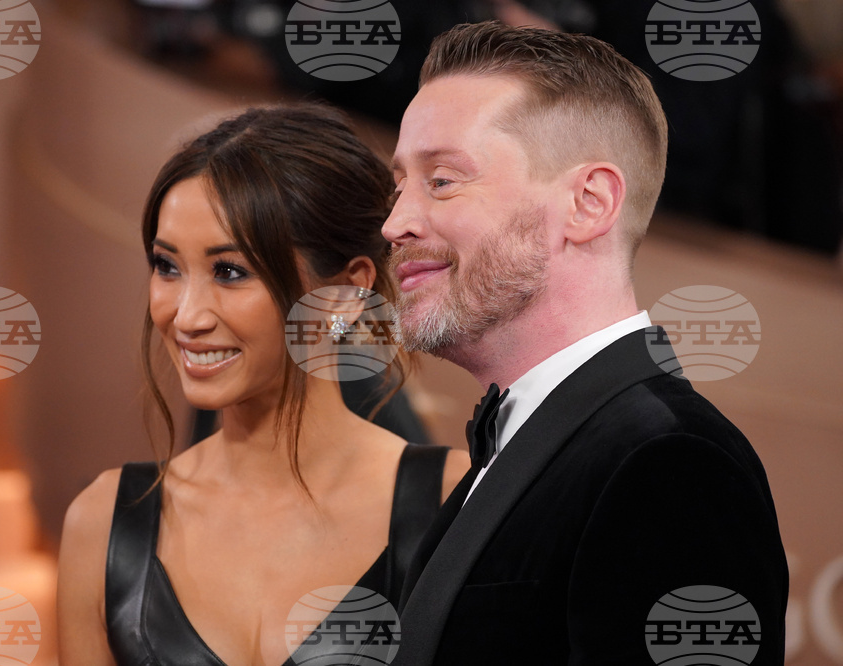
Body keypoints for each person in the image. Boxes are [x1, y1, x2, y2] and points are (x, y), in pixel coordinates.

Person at [383, 22, 789, 665]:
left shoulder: (670, 463)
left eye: (442, 180)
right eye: (398, 184)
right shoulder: (540, 443)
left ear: (589, 203)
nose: (394, 222)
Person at [56, 105, 470, 666]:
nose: (186, 315)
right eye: (166, 266)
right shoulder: (102, 523)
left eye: (230, 271)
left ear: (346, 294)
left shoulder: (454, 502)